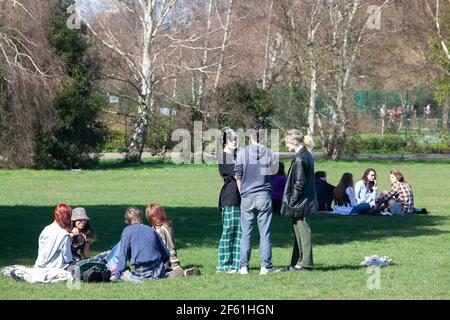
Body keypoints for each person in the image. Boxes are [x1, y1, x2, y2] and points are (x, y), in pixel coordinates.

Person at [234, 128, 278, 275]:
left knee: (246, 233)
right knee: (265, 233)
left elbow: (238, 176)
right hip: (264, 194)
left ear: (251, 137)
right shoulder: (270, 153)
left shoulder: (241, 153)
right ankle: (265, 267)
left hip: (247, 195)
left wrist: (243, 194)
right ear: (264, 138)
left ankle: (243, 267)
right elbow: (272, 174)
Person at [280, 129, 317, 271]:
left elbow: (299, 182)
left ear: (295, 141)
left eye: (287, 143)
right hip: (303, 200)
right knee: (299, 233)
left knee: (303, 232)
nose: (287, 146)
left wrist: (292, 201)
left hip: (300, 201)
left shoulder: (301, 157)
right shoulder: (306, 154)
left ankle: (305, 263)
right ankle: (297, 262)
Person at [115, 207, 169, 281]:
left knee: (126, 273)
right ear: (140, 217)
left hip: (142, 271)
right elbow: (165, 254)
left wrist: (117, 276)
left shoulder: (127, 231)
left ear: (128, 220)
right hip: (159, 270)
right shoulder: (151, 230)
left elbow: (123, 256)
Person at [217, 128, 242, 273]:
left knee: (239, 232)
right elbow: (237, 174)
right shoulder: (224, 157)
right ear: (225, 142)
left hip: (240, 198)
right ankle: (224, 265)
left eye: (236, 139)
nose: (235, 142)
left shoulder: (238, 156)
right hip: (230, 197)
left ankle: (236, 264)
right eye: (232, 139)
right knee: (229, 231)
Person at [34, 204, 74, 269]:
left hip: (39, 264)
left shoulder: (46, 229)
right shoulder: (64, 234)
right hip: (55, 267)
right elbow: (67, 258)